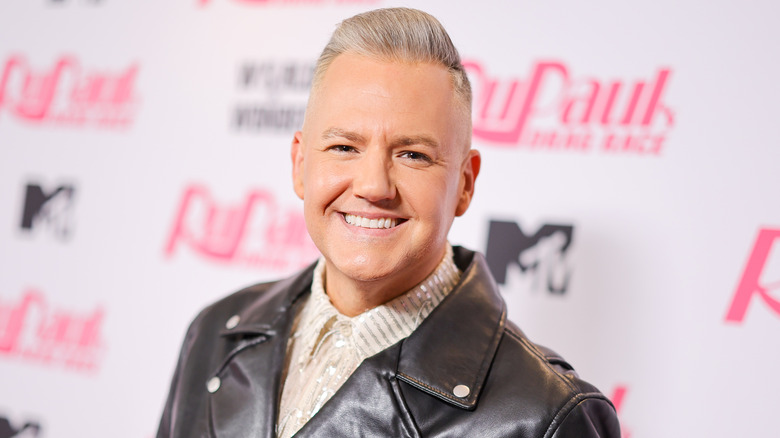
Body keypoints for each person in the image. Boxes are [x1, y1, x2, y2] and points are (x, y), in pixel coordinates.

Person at [156, 7, 620, 438]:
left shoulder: (545, 415)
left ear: (465, 184)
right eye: (344, 148)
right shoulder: (215, 332)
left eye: (413, 155)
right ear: (300, 164)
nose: (374, 186)